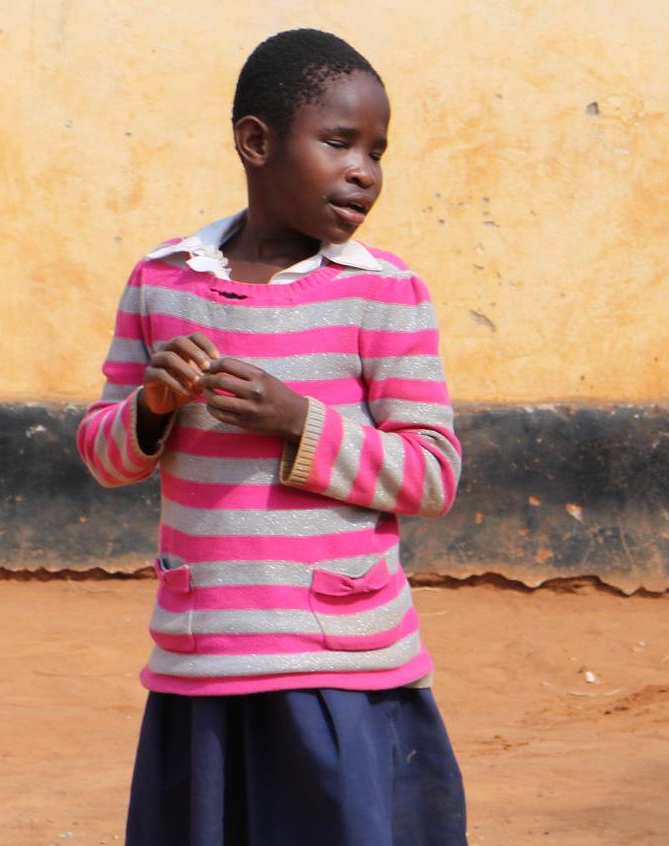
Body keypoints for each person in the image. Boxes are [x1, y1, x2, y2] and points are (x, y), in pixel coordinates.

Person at [75, 29, 468, 845]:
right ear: (255, 142)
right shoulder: (162, 281)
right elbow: (103, 454)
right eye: (339, 142)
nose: (365, 170)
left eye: (377, 151)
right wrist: (152, 406)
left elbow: (432, 476)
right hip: (204, 657)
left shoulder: (384, 293)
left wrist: (302, 422)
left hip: (340, 667)